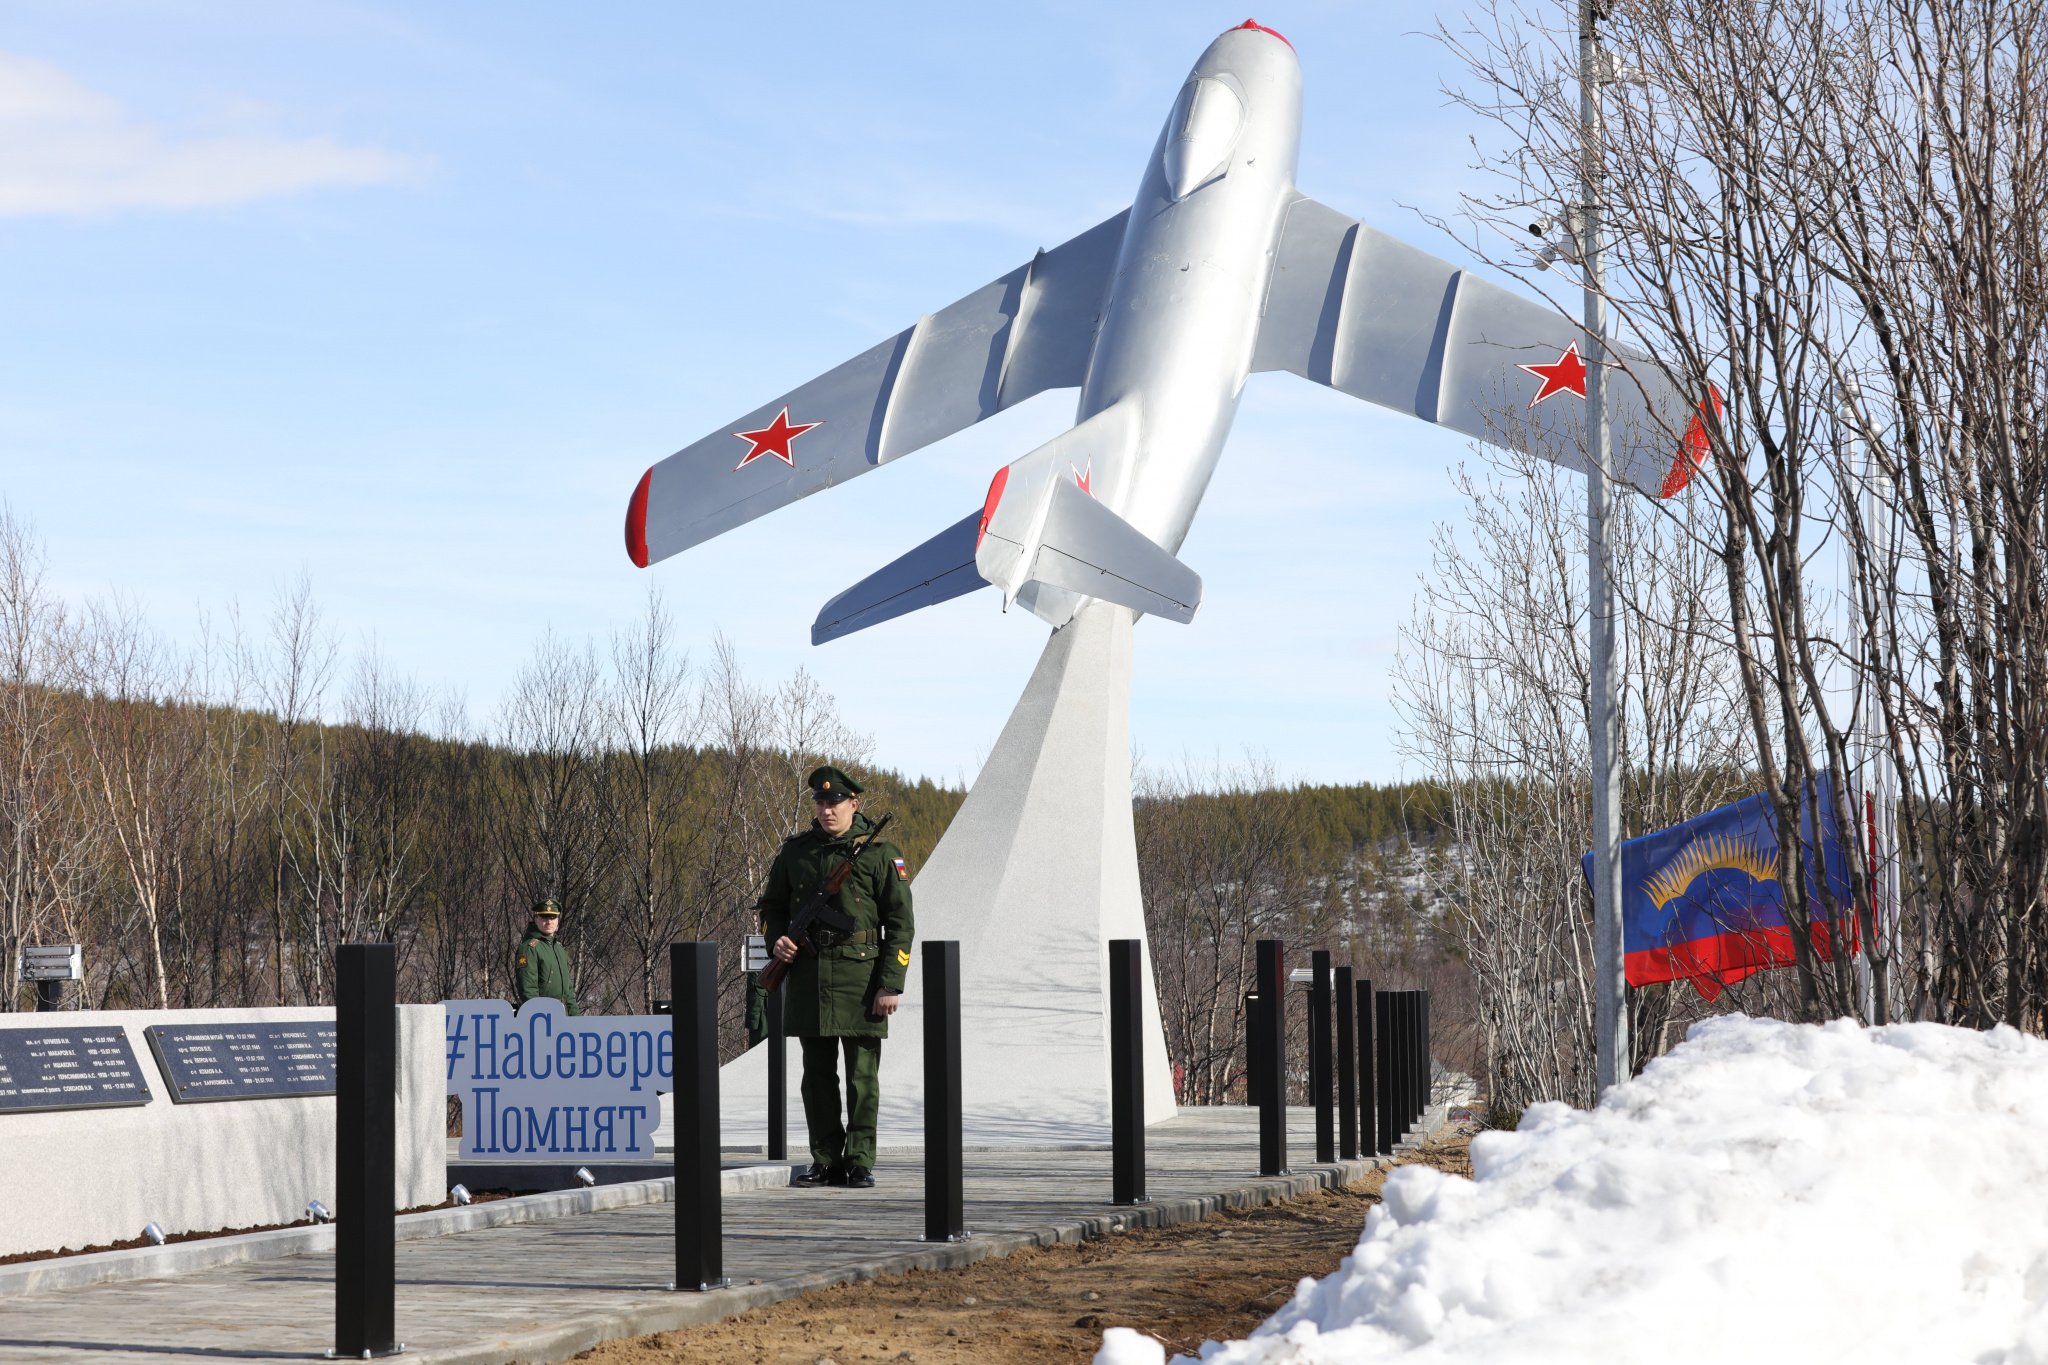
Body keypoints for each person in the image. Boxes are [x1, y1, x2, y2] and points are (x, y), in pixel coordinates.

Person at [755, 765, 914, 1188]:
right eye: (821, 803)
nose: (827, 810)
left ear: (854, 804)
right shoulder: (796, 852)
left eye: (835, 803)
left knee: (863, 1079)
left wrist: (890, 983)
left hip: (861, 980)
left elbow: (900, 923)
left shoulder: (880, 853)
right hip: (809, 975)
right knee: (817, 1078)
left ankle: (859, 1160)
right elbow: (770, 907)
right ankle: (825, 1159)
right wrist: (779, 941)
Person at [513, 896, 580, 1015]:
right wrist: (539, 1016)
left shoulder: (559, 949)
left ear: (558, 920)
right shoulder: (529, 948)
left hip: (563, 1016)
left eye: (553, 917)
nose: (549, 921)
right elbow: (528, 989)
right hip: (544, 1018)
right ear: (536, 918)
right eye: (544, 917)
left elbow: (568, 991)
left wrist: (575, 1017)